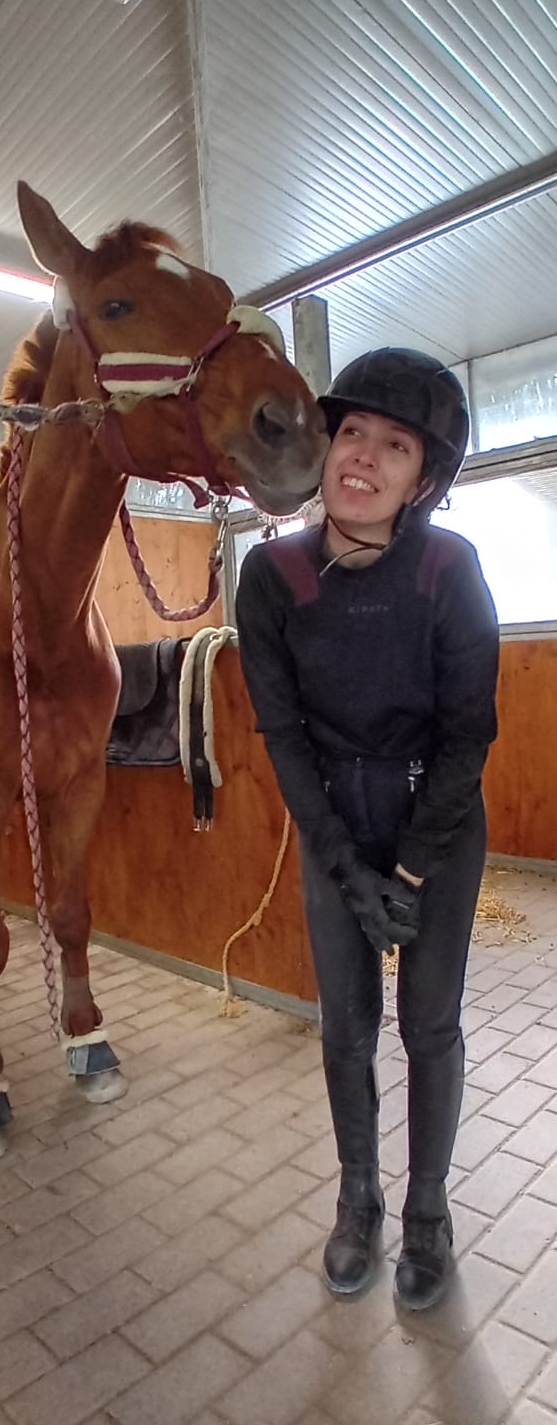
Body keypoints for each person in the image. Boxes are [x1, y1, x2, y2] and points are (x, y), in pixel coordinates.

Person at [235, 348, 499, 1312]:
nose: (365, 458)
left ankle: (428, 1212)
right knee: (346, 1026)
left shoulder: (448, 567)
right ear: (326, 443)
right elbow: (282, 733)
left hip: (439, 820)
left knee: (429, 1023)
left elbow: (469, 733)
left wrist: (415, 871)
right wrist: (347, 868)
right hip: (333, 818)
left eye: (396, 445)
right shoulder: (272, 574)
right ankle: (360, 1201)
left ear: (422, 477)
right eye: (353, 433)